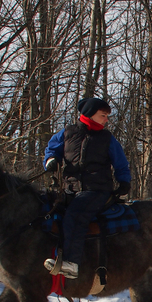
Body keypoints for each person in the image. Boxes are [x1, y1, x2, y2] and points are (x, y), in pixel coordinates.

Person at [42, 97, 132, 280]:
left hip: (97, 190)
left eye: (106, 116)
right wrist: (50, 160)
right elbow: (51, 149)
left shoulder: (107, 139)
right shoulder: (67, 133)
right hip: (70, 189)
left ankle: (71, 263)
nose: (106, 120)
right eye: (103, 115)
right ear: (90, 114)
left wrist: (124, 181)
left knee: (75, 215)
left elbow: (121, 163)